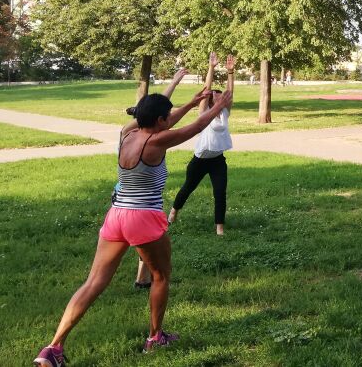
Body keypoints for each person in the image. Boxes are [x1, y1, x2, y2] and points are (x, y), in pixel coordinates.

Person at [33, 86, 232, 366]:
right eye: (166, 117)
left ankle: (53, 348)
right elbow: (197, 126)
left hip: (116, 215)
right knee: (161, 276)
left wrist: (191, 102)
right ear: (160, 121)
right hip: (143, 218)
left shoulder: (127, 132)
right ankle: (155, 337)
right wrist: (218, 104)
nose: (168, 120)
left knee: (93, 282)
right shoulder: (156, 143)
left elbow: (169, 122)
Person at [122, 67, 188, 290]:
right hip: (142, 208)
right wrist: (193, 104)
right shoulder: (152, 140)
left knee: (99, 276)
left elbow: (159, 110)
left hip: (121, 204)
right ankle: (147, 284)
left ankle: (142, 278)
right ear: (157, 118)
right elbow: (169, 119)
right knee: (154, 251)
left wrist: (175, 83)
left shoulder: (127, 133)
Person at [168, 53, 235, 235]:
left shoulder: (225, 113)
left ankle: (219, 227)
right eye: (216, 96)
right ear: (212, 100)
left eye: (222, 96)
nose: (220, 97)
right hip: (200, 160)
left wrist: (230, 72)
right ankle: (174, 211)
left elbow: (230, 92)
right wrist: (211, 68)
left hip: (218, 161)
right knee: (188, 187)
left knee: (220, 192)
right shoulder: (204, 112)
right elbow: (206, 88)